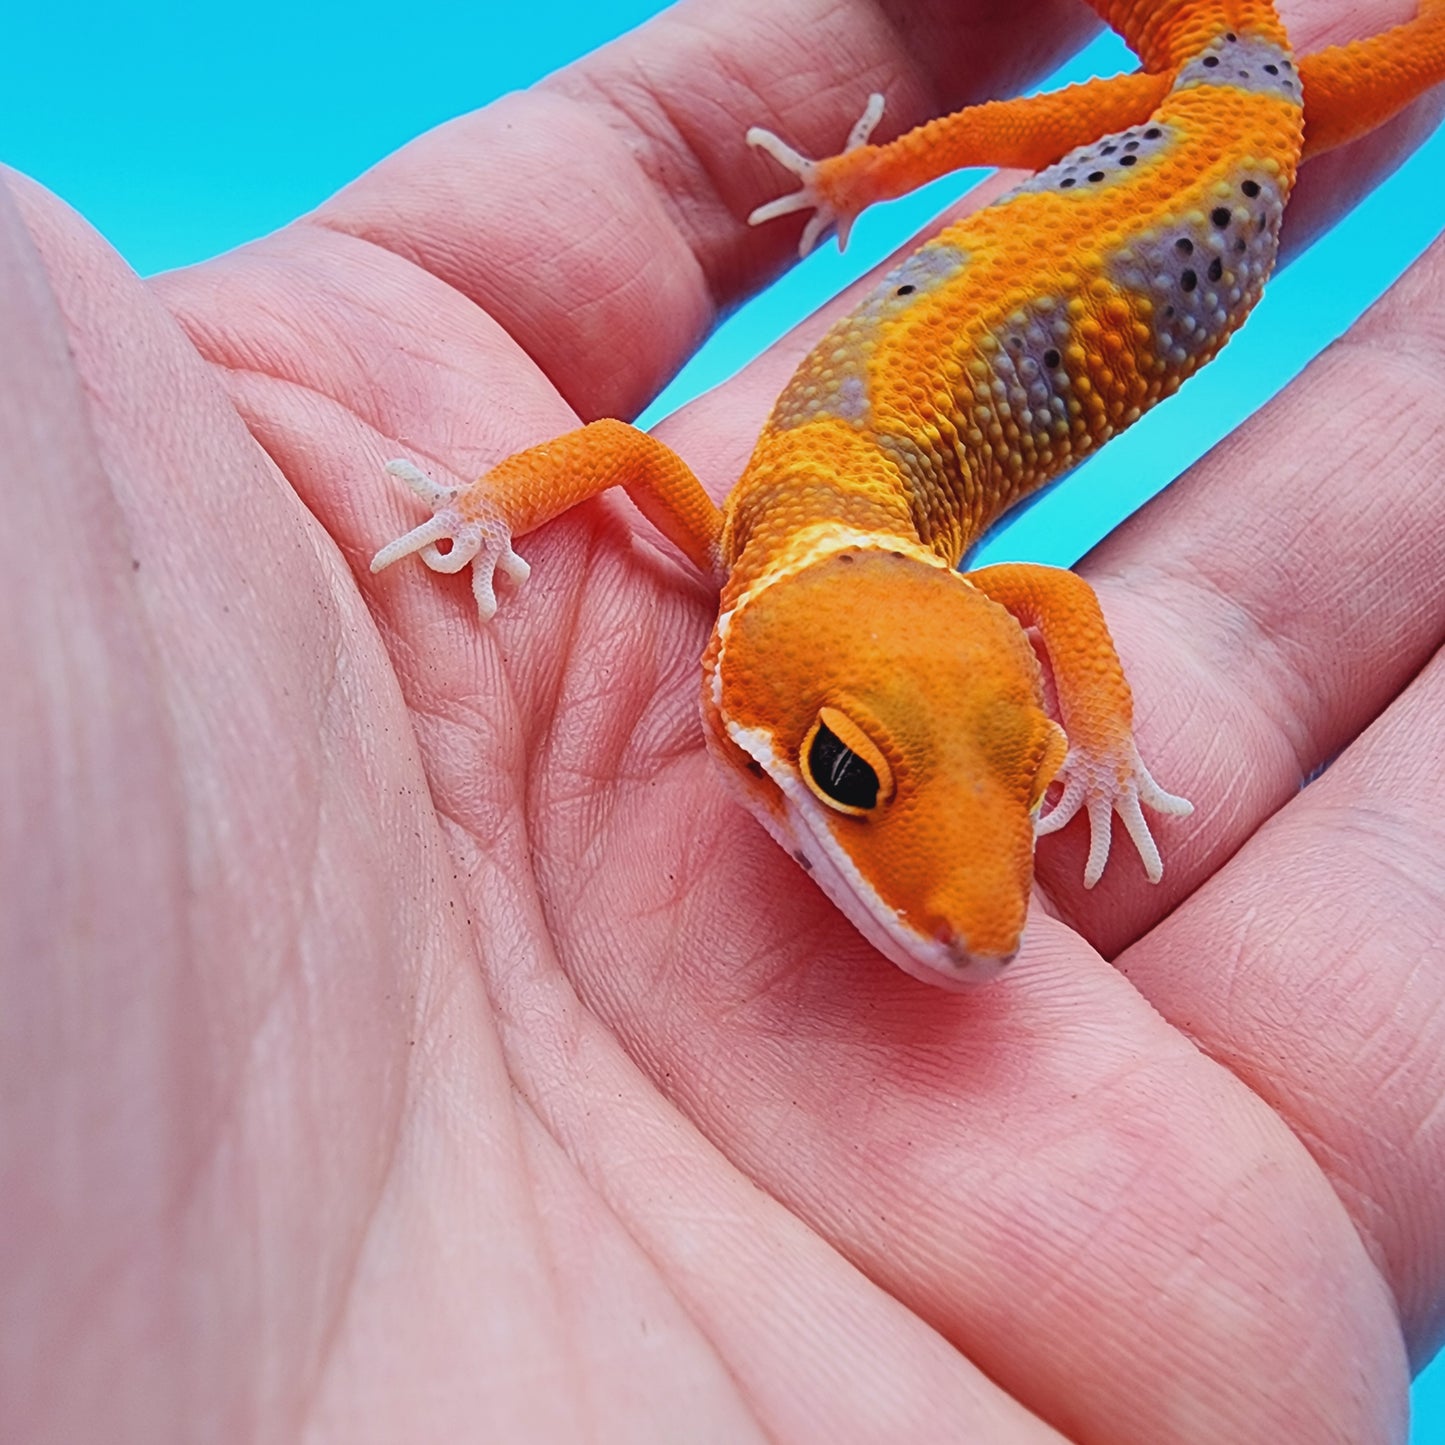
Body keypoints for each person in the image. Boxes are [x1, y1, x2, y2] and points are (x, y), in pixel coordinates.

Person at [3, 1, 1442, 1439]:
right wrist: (486, 502)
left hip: (1205, 123)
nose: (978, 926)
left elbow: (997, 590)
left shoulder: (802, 553)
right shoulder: (780, 559)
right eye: (850, 772)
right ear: (741, 656)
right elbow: (639, 456)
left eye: (1016, 767)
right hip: (1199, 118)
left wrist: (1096, 731)